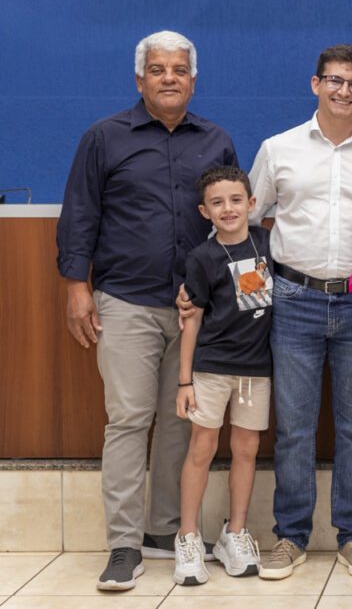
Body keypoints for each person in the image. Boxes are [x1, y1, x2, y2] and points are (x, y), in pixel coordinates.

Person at [56, 30, 237, 591]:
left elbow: (230, 224)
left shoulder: (216, 140)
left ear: (192, 79)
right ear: (140, 79)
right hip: (126, 302)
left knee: (181, 422)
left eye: (178, 70)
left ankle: (164, 530)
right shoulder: (104, 138)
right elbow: (80, 215)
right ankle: (123, 544)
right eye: (157, 69)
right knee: (130, 420)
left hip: (191, 310)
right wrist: (76, 287)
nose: (168, 78)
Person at [247, 44, 352, 580]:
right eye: (334, 80)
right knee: (292, 428)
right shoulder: (278, 149)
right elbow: (248, 219)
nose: (343, 90)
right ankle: (289, 538)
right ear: (315, 84)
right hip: (293, 301)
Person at [173, 165, 271, 585]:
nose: (228, 208)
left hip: (255, 373)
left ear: (251, 204)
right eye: (217, 203)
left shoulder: (269, 243)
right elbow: (190, 319)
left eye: (236, 200)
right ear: (204, 211)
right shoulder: (202, 258)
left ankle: (234, 534)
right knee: (203, 446)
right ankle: (189, 536)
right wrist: (184, 380)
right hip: (211, 370)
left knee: (246, 448)